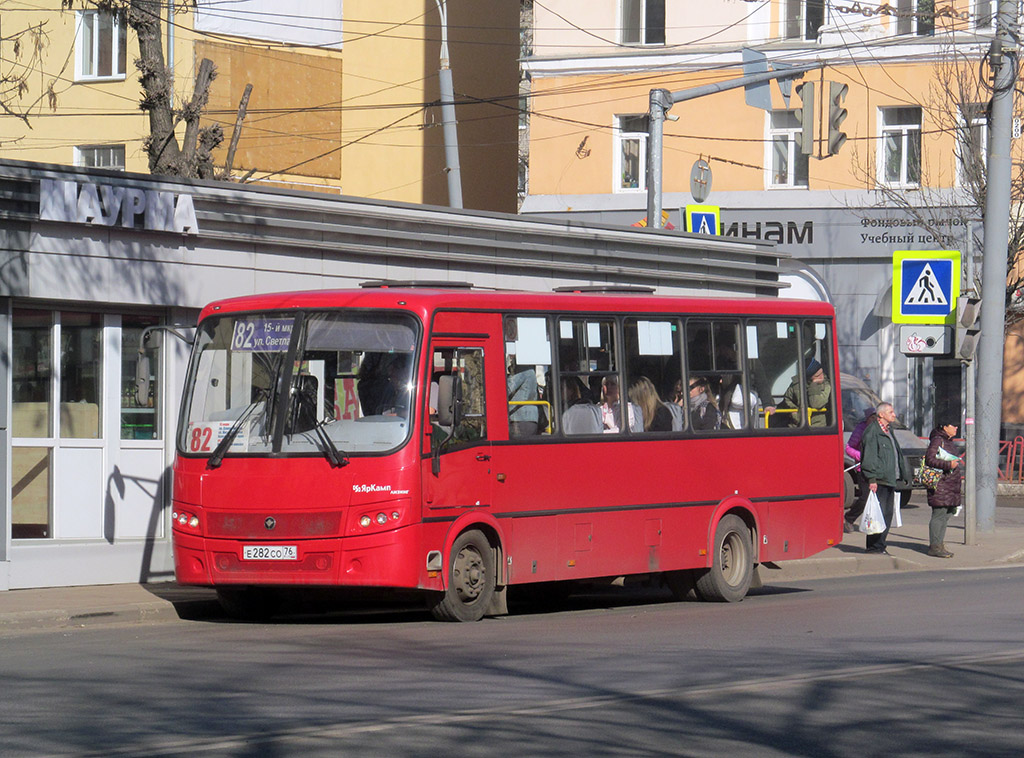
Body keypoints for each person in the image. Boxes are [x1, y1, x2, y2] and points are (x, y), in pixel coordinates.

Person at [859, 401, 911, 554]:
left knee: (886, 514)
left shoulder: (889, 430)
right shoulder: (872, 432)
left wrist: (903, 474)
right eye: (890, 412)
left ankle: (880, 545)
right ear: (881, 415)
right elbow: (869, 457)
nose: (894, 415)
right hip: (879, 480)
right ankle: (874, 546)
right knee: (878, 514)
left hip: (890, 478)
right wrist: (872, 479)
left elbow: (896, 454)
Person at [924, 418, 962, 558]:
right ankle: (935, 546)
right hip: (940, 485)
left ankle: (939, 544)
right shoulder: (937, 440)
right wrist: (948, 465)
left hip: (949, 485)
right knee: (939, 515)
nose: (956, 428)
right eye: (953, 425)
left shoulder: (948, 441)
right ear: (945, 427)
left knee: (946, 515)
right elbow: (930, 459)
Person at [843, 410, 876, 532]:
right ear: (867, 419)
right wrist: (862, 456)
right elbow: (849, 448)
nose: (874, 421)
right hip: (863, 468)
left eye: (876, 418)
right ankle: (849, 517)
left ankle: (874, 523)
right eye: (872, 418)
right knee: (865, 498)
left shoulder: (882, 429)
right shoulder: (861, 429)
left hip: (878, 469)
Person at [783, 358, 832, 427]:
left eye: (822, 373)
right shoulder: (797, 385)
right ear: (808, 377)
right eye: (817, 376)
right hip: (798, 426)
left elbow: (816, 403)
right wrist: (794, 413)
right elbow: (787, 399)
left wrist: (814, 385)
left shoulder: (826, 385)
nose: (822, 377)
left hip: (818, 427)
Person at [507, 359, 539, 437]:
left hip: (520, 418)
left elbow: (507, 390)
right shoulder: (531, 372)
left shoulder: (523, 372)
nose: (511, 360)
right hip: (531, 420)